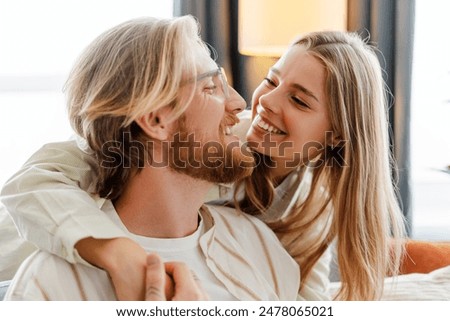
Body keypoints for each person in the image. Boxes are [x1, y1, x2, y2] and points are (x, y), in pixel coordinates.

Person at [2, 28, 449, 301]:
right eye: (272, 80)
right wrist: (117, 252)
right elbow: (31, 182)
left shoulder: (310, 212)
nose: (261, 102)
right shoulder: (209, 138)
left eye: (298, 99)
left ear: (335, 137)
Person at [1, 15, 300, 301]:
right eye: (210, 87)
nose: (240, 103)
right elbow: (30, 182)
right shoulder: (54, 283)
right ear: (155, 120)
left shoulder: (258, 247)